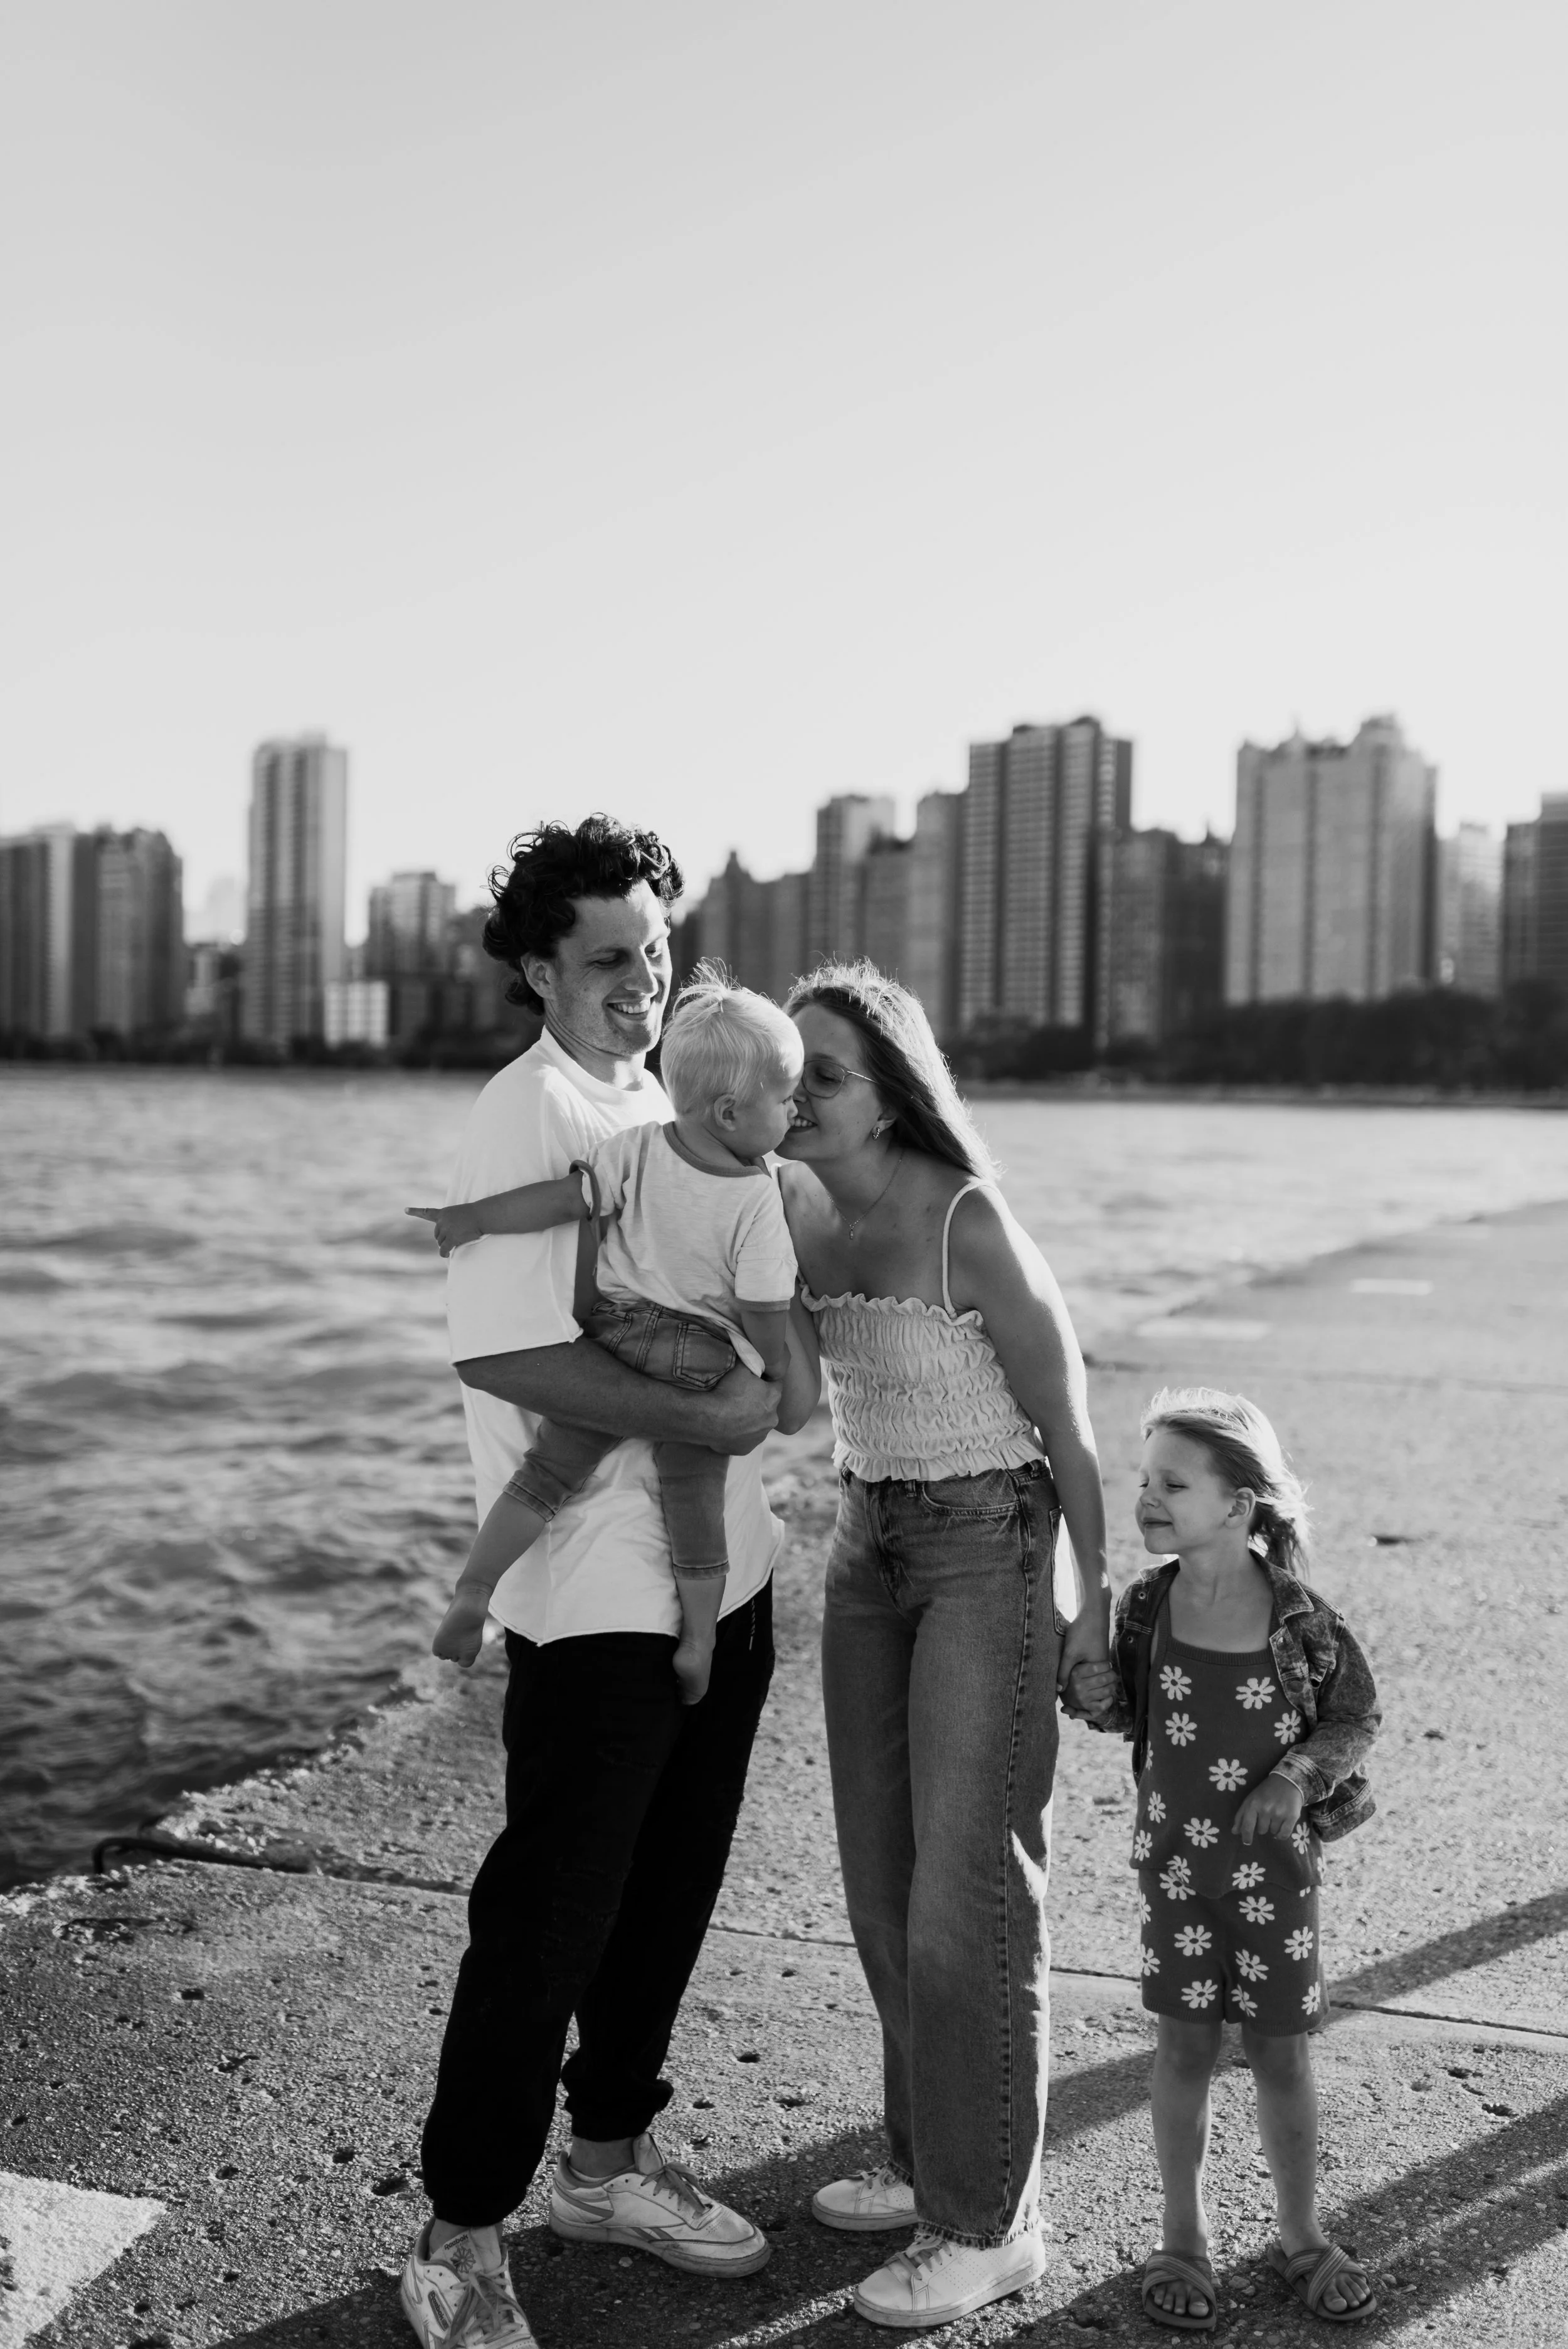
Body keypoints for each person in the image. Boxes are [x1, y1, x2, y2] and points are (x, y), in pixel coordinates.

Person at [398, 819, 818, 2349]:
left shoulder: (668, 1094)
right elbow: (503, 1346)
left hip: (727, 1578)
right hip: (591, 1603)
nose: (638, 983)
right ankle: (460, 2232)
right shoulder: (530, 1113)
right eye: (603, 959)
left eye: (653, 951)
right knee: (552, 1918)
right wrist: (714, 1412)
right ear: (532, 968)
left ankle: (606, 2166)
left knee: (668, 1899)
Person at [775, 960, 1119, 2331]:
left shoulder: (965, 1219)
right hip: (867, 1545)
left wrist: (1095, 1603)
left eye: (823, 1077)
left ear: (893, 1092)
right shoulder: (795, 1206)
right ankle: (930, 2164)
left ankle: (989, 2224)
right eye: (783, 1074)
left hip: (990, 1547)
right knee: (877, 1880)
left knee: (966, 1894)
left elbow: (1070, 1421)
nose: (795, 1098)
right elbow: (795, 1396)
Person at [408, 972, 807, 1704]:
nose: (794, 1110)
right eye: (784, 1099)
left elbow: (564, 1200)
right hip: (700, 1358)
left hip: (617, 1335)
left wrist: (473, 1218)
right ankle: (698, 1639)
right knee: (693, 1500)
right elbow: (764, 1303)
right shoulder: (757, 1197)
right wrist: (770, 1371)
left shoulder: (637, 1147)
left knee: (546, 1471)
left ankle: (474, 1586)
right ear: (729, 1111)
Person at [1112, 1387, 1380, 2333]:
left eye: (1172, 1484)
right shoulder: (1146, 1604)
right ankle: (1184, 2238)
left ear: (1238, 1502)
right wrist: (1087, 1682)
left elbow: (1354, 1716)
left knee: (1278, 2051)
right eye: (1144, 1480)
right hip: (1174, 1867)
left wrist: (1295, 1778)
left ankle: (1302, 2235)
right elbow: (1125, 1712)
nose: (1147, 1498)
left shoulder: (1301, 1617)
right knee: (1183, 2046)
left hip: (1273, 1876)